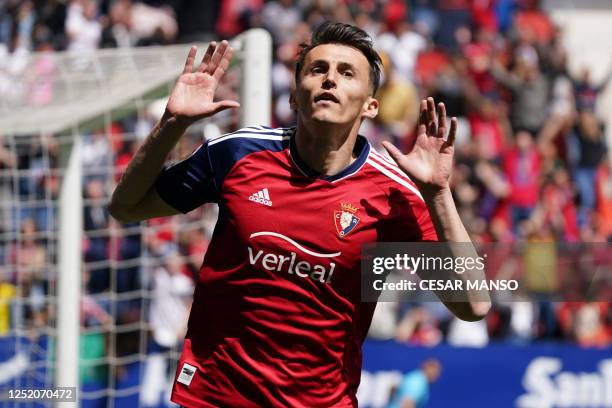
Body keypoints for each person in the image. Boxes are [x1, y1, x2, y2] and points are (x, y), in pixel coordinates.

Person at [109, 22, 490, 407]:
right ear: (294, 96)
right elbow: (126, 207)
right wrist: (172, 124)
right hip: (214, 397)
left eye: (346, 73)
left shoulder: (394, 193)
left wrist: (439, 193)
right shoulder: (237, 153)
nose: (329, 80)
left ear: (370, 105)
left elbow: (473, 304)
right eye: (317, 69)